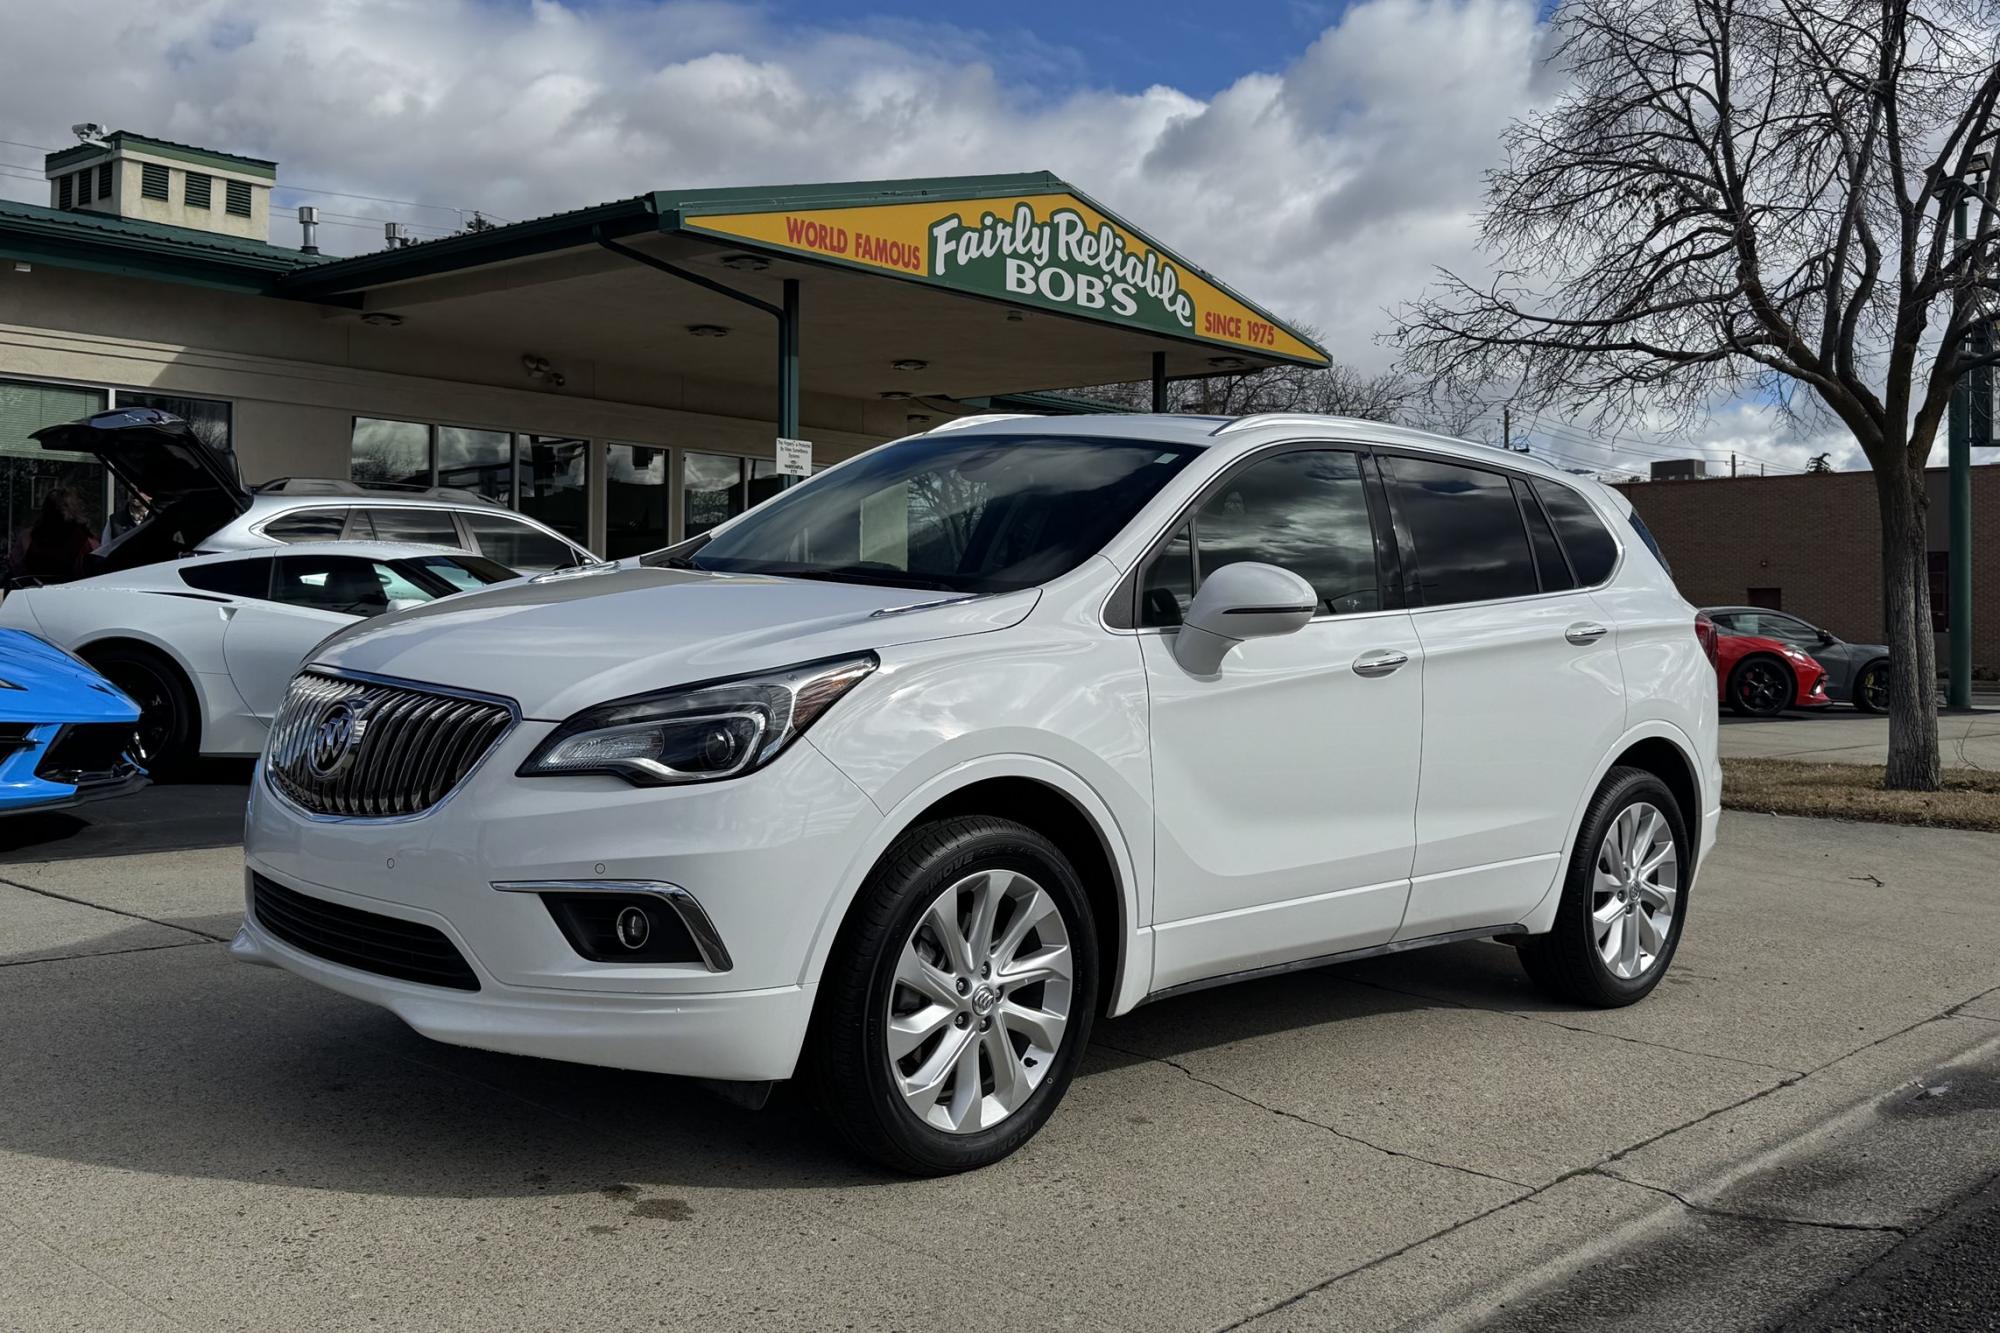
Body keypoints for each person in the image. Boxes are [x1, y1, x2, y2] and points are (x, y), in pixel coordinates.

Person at [10, 488, 98, 583]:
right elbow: (95, 573)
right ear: (74, 511)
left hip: (33, 592)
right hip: (72, 593)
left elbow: (16, 568)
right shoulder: (86, 541)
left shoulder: (27, 537)